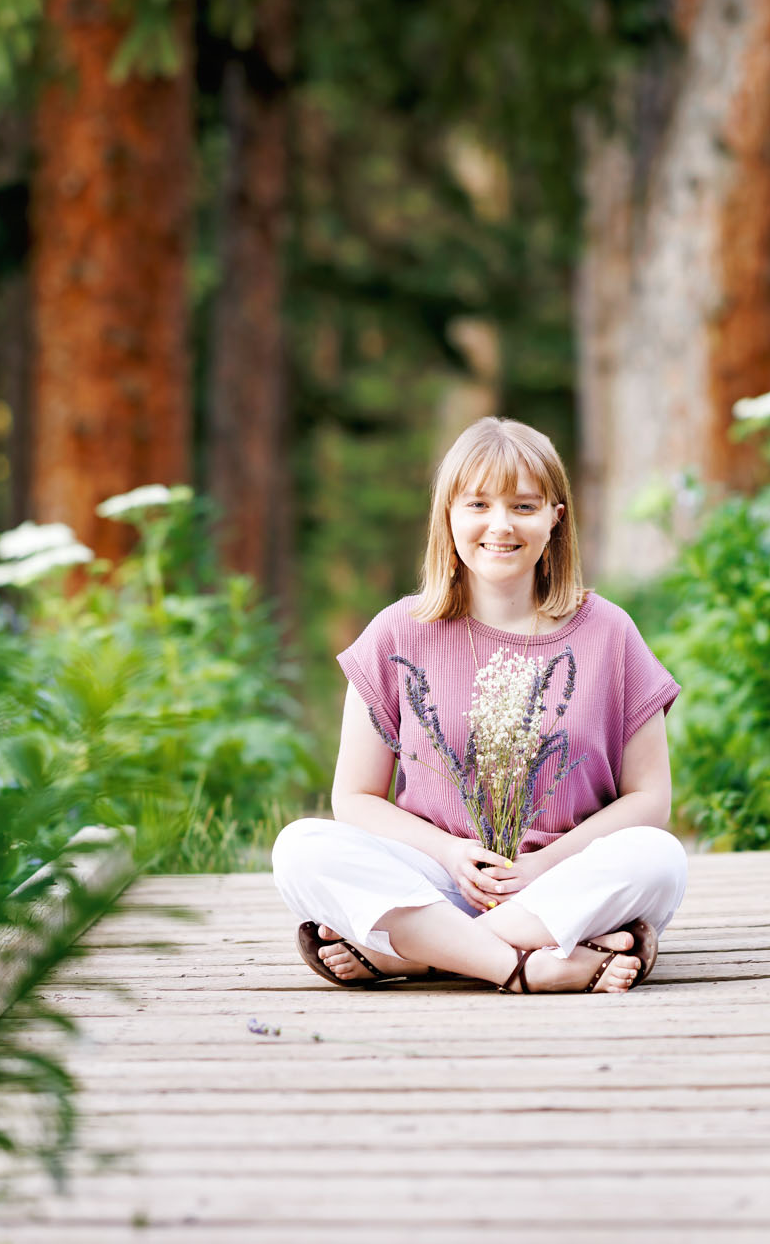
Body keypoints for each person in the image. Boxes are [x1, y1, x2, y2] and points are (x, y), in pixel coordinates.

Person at [271, 417, 687, 993]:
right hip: (437, 881)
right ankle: (521, 967)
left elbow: (650, 798)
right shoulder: (397, 633)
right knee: (300, 848)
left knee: (658, 858)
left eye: (523, 506)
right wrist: (449, 853)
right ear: (449, 516)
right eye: (478, 504)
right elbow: (355, 799)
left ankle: (423, 954)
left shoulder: (609, 632)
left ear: (554, 519)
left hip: (558, 881)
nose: (500, 525)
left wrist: (541, 867)